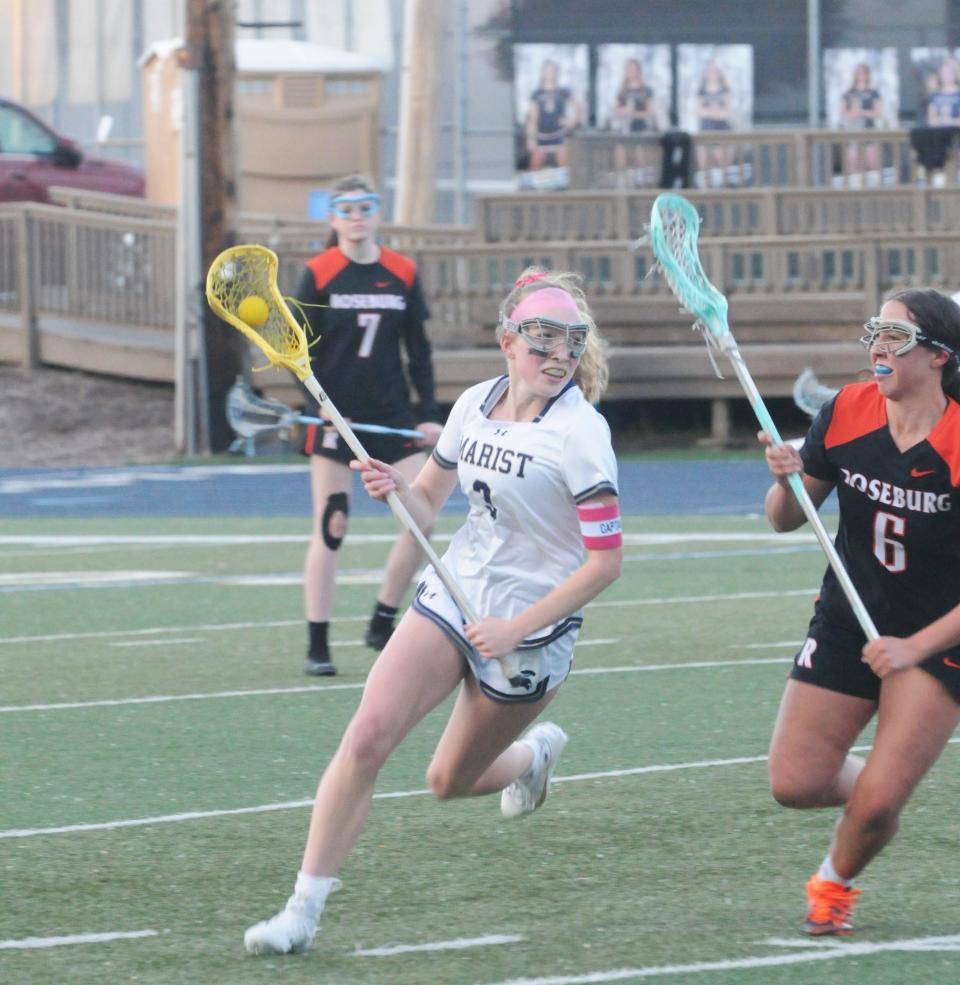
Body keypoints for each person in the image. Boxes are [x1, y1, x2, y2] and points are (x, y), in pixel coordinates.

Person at [243, 267, 623, 955]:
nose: (559, 355)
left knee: (449, 781)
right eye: (543, 339)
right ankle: (300, 911)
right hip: (456, 588)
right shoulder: (476, 402)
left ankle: (534, 752)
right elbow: (426, 505)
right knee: (365, 738)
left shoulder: (581, 434)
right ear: (508, 340)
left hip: (530, 629)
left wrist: (518, 625)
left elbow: (606, 563)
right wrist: (395, 488)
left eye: (572, 341)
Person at [759, 288, 960, 936]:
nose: (878, 346)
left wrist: (913, 647)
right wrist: (787, 479)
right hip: (851, 616)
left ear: (938, 357)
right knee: (794, 780)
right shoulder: (847, 409)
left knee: (875, 806)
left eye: (896, 337)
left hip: (940, 635)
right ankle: (883, 789)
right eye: (875, 331)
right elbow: (785, 519)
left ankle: (833, 882)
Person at [294, 175, 444, 676]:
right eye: (346, 209)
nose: (357, 217)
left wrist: (428, 413)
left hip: (392, 417)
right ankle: (318, 643)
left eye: (366, 207)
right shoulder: (318, 273)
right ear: (333, 218)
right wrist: (318, 404)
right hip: (338, 420)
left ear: (378, 214)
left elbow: (418, 351)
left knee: (420, 520)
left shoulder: (401, 272)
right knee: (332, 524)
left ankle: (383, 616)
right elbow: (296, 354)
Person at [525, 59, 582, 169]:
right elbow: (532, 118)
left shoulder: (564, 91)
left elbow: (579, 108)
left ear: (557, 72)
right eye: (547, 70)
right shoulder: (537, 93)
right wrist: (531, 138)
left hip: (559, 135)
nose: (550, 73)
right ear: (543, 72)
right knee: (534, 169)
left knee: (564, 170)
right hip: (541, 136)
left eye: (552, 70)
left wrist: (571, 121)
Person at [837, 63, 883, 183]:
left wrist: (862, 112)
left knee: (872, 163)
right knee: (853, 165)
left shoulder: (873, 93)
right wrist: (852, 113)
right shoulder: (848, 94)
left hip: (868, 130)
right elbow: (842, 112)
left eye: (863, 73)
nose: (861, 76)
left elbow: (877, 113)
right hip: (852, 132)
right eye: (858, 73)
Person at [612, 57, 658, 134]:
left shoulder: (646, 90)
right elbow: (615, 111)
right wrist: (623, 111)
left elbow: (651, 112)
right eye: (629, 69)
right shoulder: (622, 91)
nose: (631, 72)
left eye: (633, 69)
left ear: (638, 71)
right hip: (624, 129)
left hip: (643, 130)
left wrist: (634, 113)